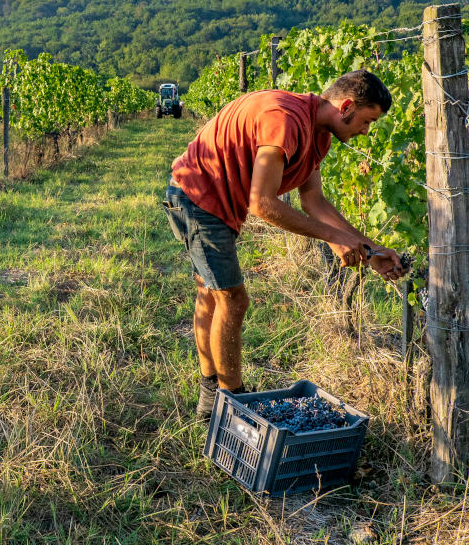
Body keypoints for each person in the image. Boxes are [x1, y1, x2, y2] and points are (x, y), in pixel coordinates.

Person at [163, 70, 408, 420]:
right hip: (197, 196)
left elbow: (314, 202)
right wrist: (334, 237)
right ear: (347, 106)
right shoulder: (286, 120)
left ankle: (209, 400)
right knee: (232, 299)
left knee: (211, 292)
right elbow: (262, 204)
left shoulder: (317, 132)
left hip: (211, 199)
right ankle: (233, 404)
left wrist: (368, 250)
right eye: (367, 121)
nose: (366, 132)